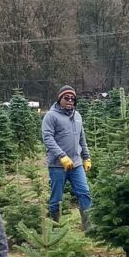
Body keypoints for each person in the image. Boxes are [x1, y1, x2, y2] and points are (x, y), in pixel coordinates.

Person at [41, 85, 92, 230]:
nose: (70, 101)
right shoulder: (51, 116)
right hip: (57, 165)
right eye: (66, 98)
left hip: (76, 164)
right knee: (56, 198)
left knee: (84, 193)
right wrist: (61, 156)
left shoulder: (77, 116)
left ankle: (88, 228)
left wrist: (86, 157)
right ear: (60, 99)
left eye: (72, 99)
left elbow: (82, 138)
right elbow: (48, 138)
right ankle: (55, 229)